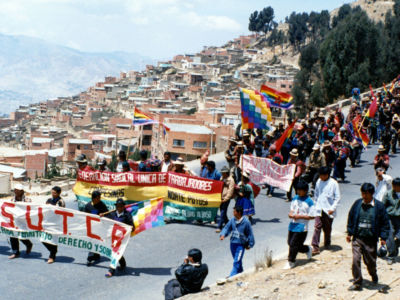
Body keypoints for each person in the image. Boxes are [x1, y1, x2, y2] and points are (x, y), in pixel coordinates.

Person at [346, 183, 390, 291]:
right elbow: (351, 217)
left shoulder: (379, 207)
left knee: (370, 262)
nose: (364, 196)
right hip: (358, 238)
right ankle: (357, 282)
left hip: (370, 240)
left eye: (366, 194)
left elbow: (385, 223)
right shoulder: (357, 204)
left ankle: (373, 274)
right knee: (355, 260)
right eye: (363, 193)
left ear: (372, 194)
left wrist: (383, 237)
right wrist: (349, 233)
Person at [285, 180, 315, 269]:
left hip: (302, 227)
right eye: (297, 190)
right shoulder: (295, 198)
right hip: (293, 225)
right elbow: (292, 210)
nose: (298, 192)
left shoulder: (309, 202)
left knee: (293, 244)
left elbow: (312, 216)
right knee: (290, 243)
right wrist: (290, 214)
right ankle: (307, 249)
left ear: (305, 190)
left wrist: (300, 216)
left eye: (300, 190)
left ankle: (291, 261)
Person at [311, 166, 341, 255]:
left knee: (327, 228)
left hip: (328, 209)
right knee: (317, 226)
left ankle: (327, 242)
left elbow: (337, 197)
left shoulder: (334, 183)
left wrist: (333, 208)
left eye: (322, 175)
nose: (320, 177)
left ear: (327, 175)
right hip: (319, 208)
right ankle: (315, 246)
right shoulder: (318, 181)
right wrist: (315, 205)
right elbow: (316, 194)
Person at [220, 205, 255, 277]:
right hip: (233, 244)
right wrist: (223, 234)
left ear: (238, 213)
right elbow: (227, 228)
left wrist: (250, 244)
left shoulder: (246, 222)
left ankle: (231, 276)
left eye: (234, 211)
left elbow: (250, 234)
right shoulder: (232, 220)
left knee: (237, 261)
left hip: (240, 245)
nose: (233, 213)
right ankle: (241, 273)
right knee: (237, 261)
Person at [104, 199, 134, 277]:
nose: (119, 208)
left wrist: (130, 228)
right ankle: (123, 264)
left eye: (121, 206)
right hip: (113, 237)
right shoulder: (112, 214)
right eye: (118, 206)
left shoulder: (127, 215)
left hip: (122, 238)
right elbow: (105, 220)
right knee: (116, 252)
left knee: (116, 252)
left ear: (123, 207)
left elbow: (132, 227)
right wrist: (101, 216)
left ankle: (111, 270)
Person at [8, 184, 33, 259]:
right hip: (15, 220)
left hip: (23, 220)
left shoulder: (27, 200)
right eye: (15, 190)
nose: (16, 191)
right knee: (13, 235)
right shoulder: (12, 199)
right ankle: (15, 252)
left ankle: (28, 244)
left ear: (22, 191)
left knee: (22, 235)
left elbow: (31, 210)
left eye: (17, 190)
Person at [42, 186, 65, 264]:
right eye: (52, 192)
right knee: (43, 239)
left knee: (53, 240)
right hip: (47, 222)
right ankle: (53, 251)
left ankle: (52, 256)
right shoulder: (49, 200)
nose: (52, 194)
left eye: (54, 193)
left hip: (56, 223)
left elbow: (60, 212)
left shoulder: (61, 201)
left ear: (58, 193)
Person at [85, 190, 108, 265]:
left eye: (99, 198)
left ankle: (96, 255)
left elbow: (107, 214)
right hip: (91, 227)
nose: (99, 199)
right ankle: (90, 257)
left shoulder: (102, 205)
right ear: (93, 198)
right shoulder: (88, 206)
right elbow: (84, 216)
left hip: (99, 227)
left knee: (97, 241)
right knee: (91, 241)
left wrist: (103, 215)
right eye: (97, 198)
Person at [382, 178, 400, 265]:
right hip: (390, 218)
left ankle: (396, 246)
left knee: (399, 237)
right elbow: (383, 206)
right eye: (394, 186)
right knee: (390, 236)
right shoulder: (388, 194)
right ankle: (391, 256)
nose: (395, 188)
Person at [216, 166, 235, 233]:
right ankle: (228, 223)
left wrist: (226, 199)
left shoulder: (231, 180)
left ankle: (219, 226)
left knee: (223, 211)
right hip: (220, 197)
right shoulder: (222, 178)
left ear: (226, 173)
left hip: (226, 198)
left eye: (223, 173)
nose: (222, 174)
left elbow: (230, 191)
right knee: (222, 211)